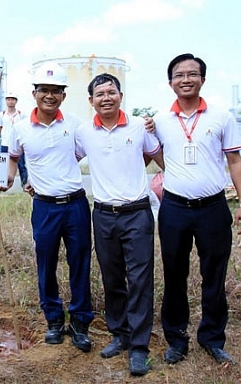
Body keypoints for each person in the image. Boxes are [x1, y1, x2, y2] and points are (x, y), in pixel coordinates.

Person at [154, 53, 241, 365]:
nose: (186, 79)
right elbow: (138, 156)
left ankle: (212, 338)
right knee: (174, 274)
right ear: (170, 82)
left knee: (214, 275)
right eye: (179, 75)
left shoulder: (221, 117)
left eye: (192, 74)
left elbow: (235, 162)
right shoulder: (158, 121)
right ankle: (176, 339)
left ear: (202, 80)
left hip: (212, 209)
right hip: (174, 209)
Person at [0, 62, 93, 353]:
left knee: (80, 263)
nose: (49, 96)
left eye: (56, 91)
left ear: (63, 95)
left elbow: (77, 154)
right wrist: (12, 177)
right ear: (34, 93)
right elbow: (13, 157)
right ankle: (53, 320)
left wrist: (55, 175)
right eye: (44, 91)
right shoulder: (20, 127)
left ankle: (79, 322)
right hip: (44, 208)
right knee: (46, 264)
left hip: (75, 204)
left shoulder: (75, 124)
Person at [75, 73, 163, 376]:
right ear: (91, 101)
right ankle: (120, 334)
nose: (106, 98)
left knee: (139, 280)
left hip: (137, 213)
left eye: (111, 92)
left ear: (120, 96)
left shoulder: (140, 126)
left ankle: (139, 348)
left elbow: (158, 157)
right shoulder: (85, 132)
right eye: (99, 94)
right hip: (102, 214)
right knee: (112, 278)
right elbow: (65, 159)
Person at [0, 92, 27, 187]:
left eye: (13, 99)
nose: (10, 101)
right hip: (5, 144)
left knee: (21, 165)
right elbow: (0, 128)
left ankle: (24, 184)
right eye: (8, 99)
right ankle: (2, 184)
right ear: (6, 101)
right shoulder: (1, 115)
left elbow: (24, 128)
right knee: (3, 166)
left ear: (16, 101)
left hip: (18, 144)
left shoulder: (21, 114)